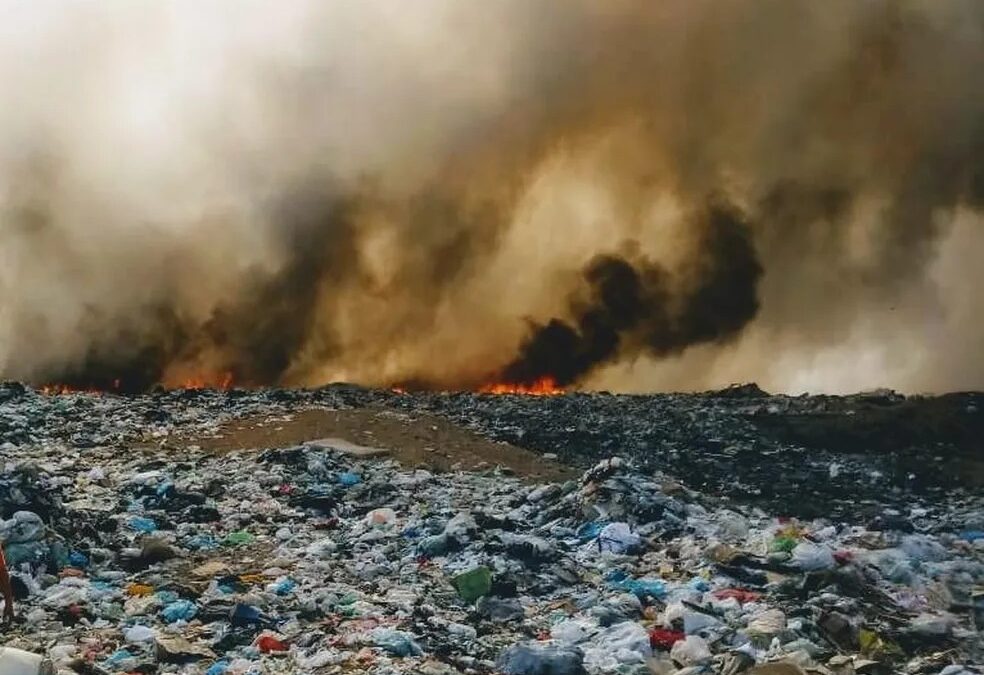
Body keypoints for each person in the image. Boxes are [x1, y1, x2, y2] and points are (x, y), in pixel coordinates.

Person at [0, 544, 13, 623]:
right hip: (2, 568)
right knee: (7, 591)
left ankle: (9, 612)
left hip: (2, 567)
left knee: (7, 591)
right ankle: (9, 612)